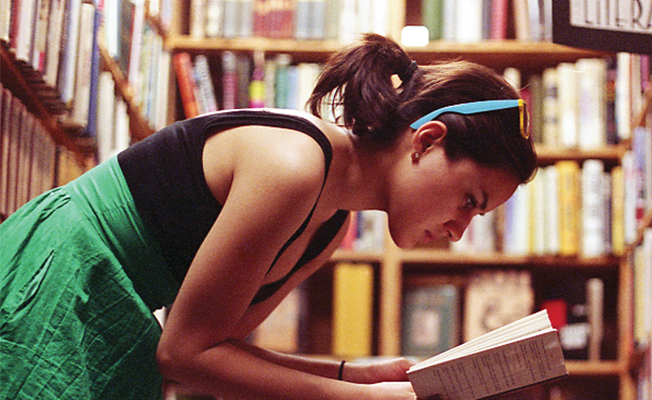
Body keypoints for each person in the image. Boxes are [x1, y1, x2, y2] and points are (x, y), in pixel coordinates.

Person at [0, 33, 537, 400]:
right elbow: (184, 355)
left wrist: (362, 375)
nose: (459, 231)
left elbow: (219, 351)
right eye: (471, 199)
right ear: (428, 140)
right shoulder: (293, 166)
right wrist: (359, 397)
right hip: (66, 280)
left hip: (114, 312)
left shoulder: (332, 226)